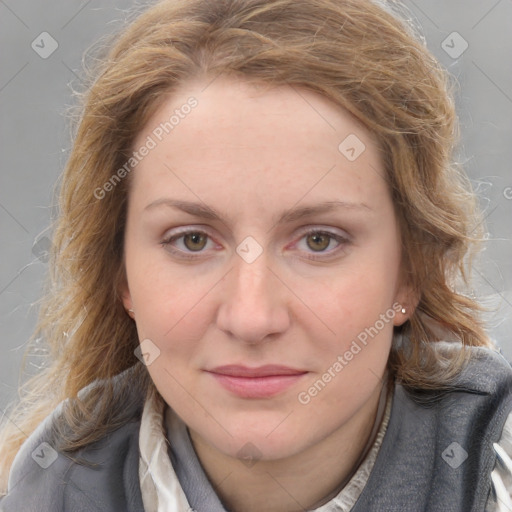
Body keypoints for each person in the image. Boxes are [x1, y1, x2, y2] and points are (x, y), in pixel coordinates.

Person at [0, 0, 511, 510]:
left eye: (319, 240)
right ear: (122, 277)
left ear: (409, 274)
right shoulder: (45, 491)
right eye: (192, 240)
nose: (251, 318)